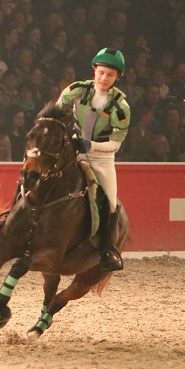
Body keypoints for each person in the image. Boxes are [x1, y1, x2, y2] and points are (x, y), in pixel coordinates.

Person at [57, 47, 130, 271]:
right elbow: (57, 110)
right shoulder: (76, 90)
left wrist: (92, 145)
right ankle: (11, 217)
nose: (104, 78)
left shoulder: (121, 107)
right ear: (94, 71)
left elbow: (115, 144)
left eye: (110, 74)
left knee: (108, 202)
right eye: (101, 72)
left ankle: (107, 249)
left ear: (117, 77)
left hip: (101, 160)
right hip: (72, 151)